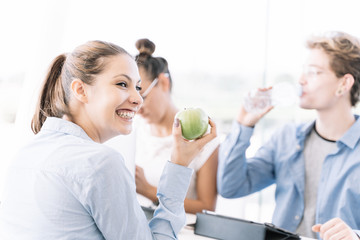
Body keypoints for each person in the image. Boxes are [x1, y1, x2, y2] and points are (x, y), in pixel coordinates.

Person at [0, 40, 217, 239]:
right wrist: (179, 165)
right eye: (122, 84)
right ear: (80, 90)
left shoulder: (26, 153)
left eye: (138, 87)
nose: (138, 100)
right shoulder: (100, 162)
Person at [217, 31, 360, 240]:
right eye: (303, 71)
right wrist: (243, 126)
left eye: (313, 72)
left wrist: (355, 236)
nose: (301, 80)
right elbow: (231, 187)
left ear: (344, 84)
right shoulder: (286, 138)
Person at [133, 38, 219, 214]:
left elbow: (207, 207)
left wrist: (149, 190)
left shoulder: (201, 138)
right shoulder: (130, 132)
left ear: (163, 83)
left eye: (143, 96)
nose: (136, 108)